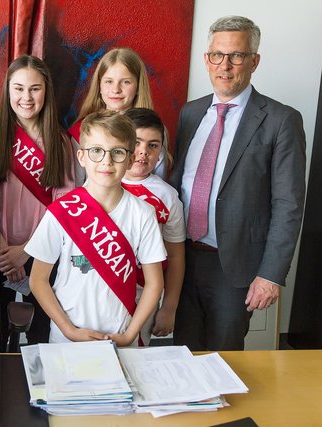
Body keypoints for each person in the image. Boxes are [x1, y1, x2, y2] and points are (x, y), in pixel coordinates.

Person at [169, 16, 306, 351]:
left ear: (254, 61)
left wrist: (271, 274)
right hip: (181, 259)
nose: (225, 65)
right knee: (183, 352)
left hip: (234, 268)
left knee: (224, 358)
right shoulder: (190, 113)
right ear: (206, 59)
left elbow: (288, 205)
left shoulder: (281, 120)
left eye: (237, 56)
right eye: (217, 55)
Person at [25, 110, 165, 346]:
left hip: (120, 336)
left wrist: (130, 334)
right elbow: (37, 280)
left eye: (118, 152)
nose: (106, 161)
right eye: (96, 151)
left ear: (130, 159)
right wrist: (68, 330)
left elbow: (154, 283)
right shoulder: (61, 211)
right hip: (67, 339)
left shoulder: (143, 213)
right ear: (82, 157)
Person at [0, 55, 75, 345]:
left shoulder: (61, 142)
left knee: (41, 335)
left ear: (46, 91)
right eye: (18, 88)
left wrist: (27, 251)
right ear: (8, 91)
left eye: (34, 88)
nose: (26, 97)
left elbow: (64, 206)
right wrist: (5, 249)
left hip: (44, 254)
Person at [122, 108, 185, 344]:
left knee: (133, 363)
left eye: (153, 145)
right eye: (136, 142)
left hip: (143, 297)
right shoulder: (99, 185)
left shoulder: (167, 197)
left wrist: (169, 307)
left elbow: (176, 257)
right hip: (98, 294)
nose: (142, 152)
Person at [68, 48, 167, 179]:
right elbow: (76, 184)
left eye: (126, 82)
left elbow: (159, 183)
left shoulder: (153, 131)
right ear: (99, 86)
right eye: (109, 81)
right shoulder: (82, 131)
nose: (116, 90)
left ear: (138, 86)